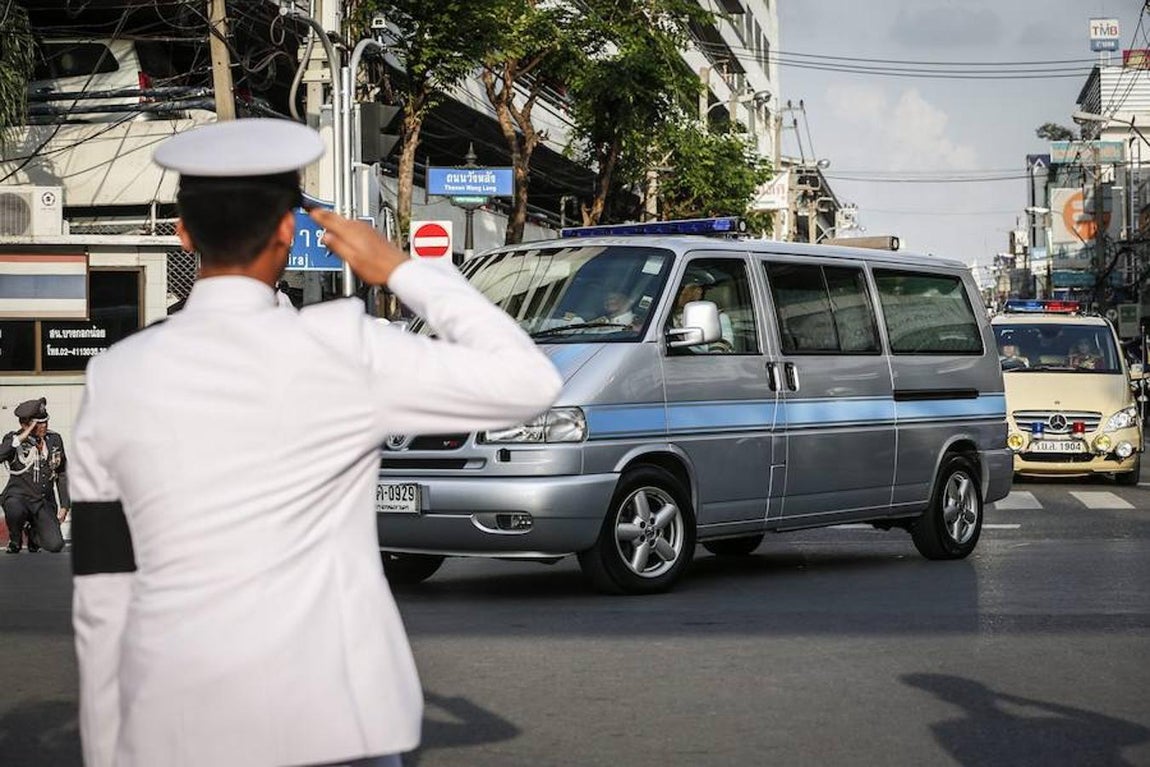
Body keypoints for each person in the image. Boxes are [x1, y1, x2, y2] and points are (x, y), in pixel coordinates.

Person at [68, 119, 562, 767]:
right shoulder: (345, 350)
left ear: (183, 234)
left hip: (172, 723)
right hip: (333, 721)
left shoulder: (115, 377)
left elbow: (103, 589)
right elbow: (530, 380)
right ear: (286, 230)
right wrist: (402, 270)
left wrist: (108, 751)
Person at [1, 397, 69, 554]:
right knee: (14, 509)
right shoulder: (13, 440)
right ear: (25, 424)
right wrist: (20, 438)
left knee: (55, 545)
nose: (44, 425)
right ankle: (15, 539)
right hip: (18, 497)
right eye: (38, 423)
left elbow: (61, 472)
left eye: (45, 421)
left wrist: (65, 505)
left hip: (42, 501)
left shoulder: (54, 440)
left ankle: (33, 534)